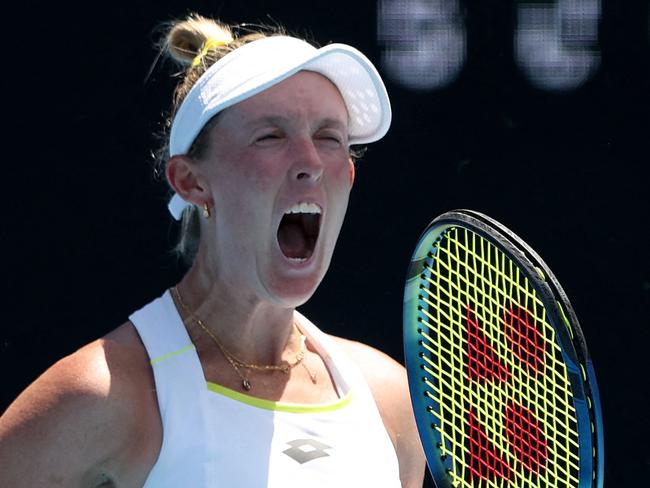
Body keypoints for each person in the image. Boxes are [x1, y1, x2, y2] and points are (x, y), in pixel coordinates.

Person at [0, 14, 425, 487]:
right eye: (271, 135)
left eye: (329, 138)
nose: (310, 162)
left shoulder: (389, 403)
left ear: (347, 176)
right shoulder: (104, 394)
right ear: (192, 181)